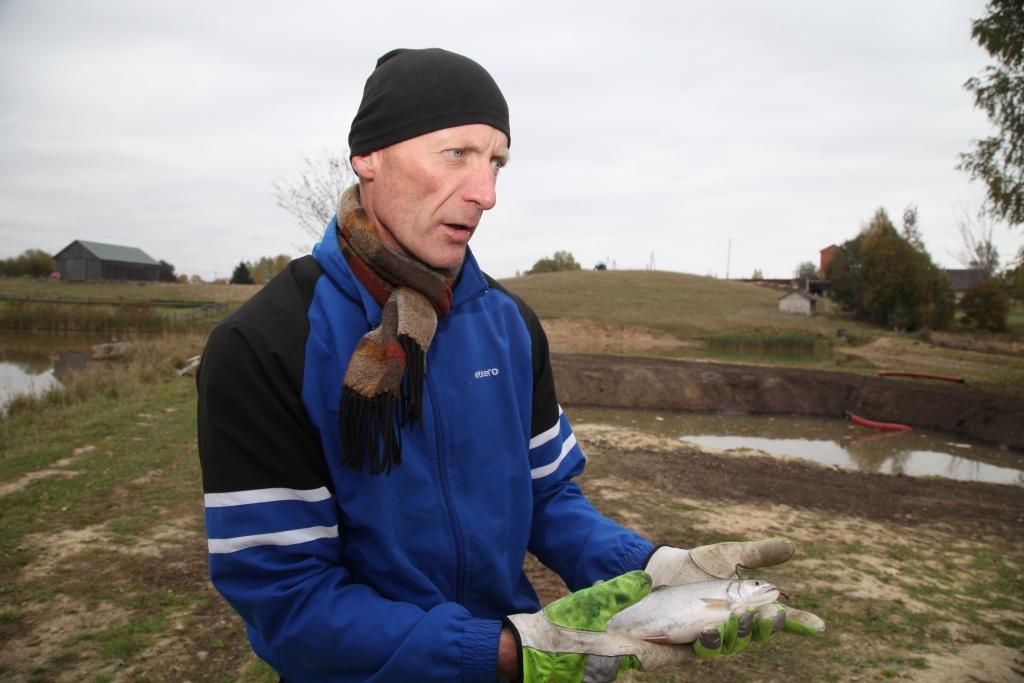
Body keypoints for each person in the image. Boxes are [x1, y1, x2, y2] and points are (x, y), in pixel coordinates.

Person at [197, 47, 822, 683]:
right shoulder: (265, 344)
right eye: (456, 154)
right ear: (369, 157)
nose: (486, 194)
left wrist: (649, 569)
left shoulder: (509, 325)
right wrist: (507, 654)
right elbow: (287, 594)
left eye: (496, 162)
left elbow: (545, 494)